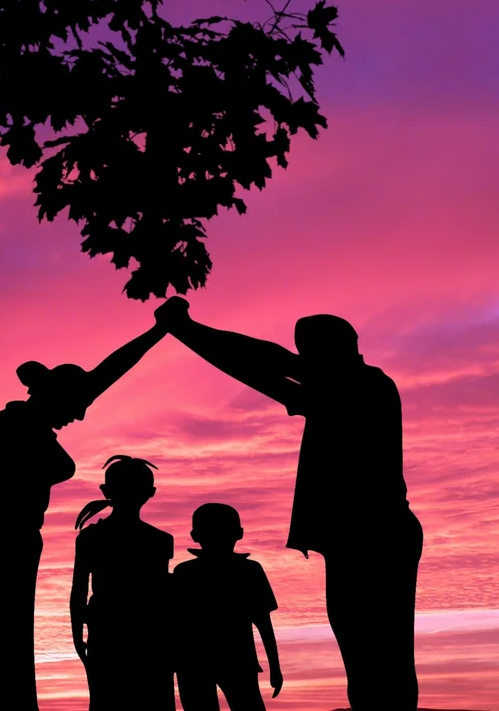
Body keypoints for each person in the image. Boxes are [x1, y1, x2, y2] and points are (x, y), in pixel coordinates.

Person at [155, 297, 423, 711]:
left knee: (380, 647)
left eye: (308, 351)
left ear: (335, 348)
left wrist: (189, 331)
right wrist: (189, 332)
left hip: (375, 532)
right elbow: (265, 367)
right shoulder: (345, 385)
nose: (302, 359)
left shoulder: (361, 385)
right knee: (363, 646)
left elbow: (267, 363)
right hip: (362, 532)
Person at [0, 321, 167, 711]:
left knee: (4, 644)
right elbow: (64, 463)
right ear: (56, 397)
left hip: (3, 541)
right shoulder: (22, 430)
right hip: (2, 543)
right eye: (77, 406)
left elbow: (101, 378)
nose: (80, 416)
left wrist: (157, 332)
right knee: (0, 645)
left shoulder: (24, 426)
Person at [70, 455, 175, 711]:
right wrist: (78, 636)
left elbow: (79, 592)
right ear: (151, 492)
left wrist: (78, 635)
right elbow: (79, 591)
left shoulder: (93, 537)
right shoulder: (158, 540)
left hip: (131, 634)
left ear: (106, 490)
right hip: (128, 634)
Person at [171, 503, 282, 711]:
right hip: (212, 661)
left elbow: (263, 622)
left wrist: (275, 667)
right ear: (239, 533)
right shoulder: (185, 572)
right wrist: (275, 667)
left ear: (195, 535)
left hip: (214, 662)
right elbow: (264, 624)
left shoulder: (186, 572)